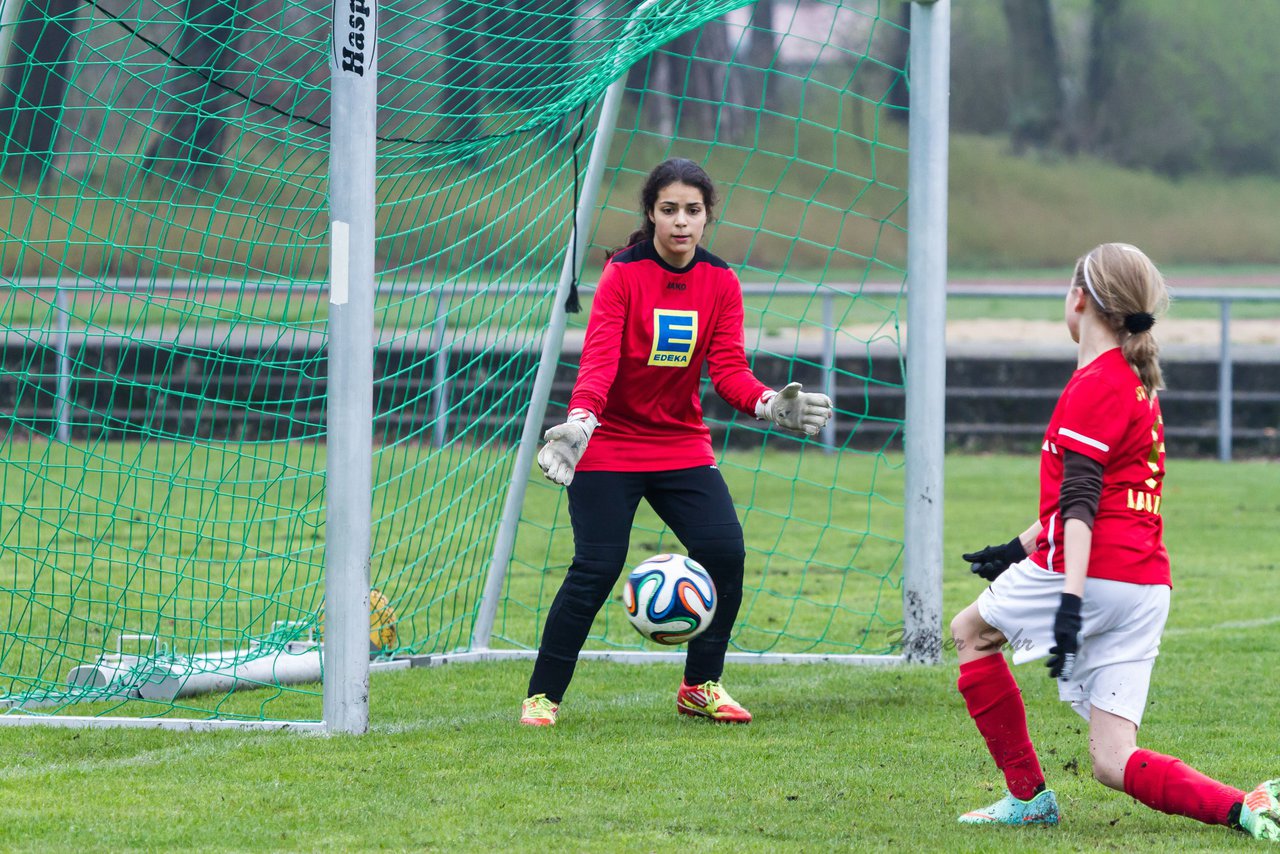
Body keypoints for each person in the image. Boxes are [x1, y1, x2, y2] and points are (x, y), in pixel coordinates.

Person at [949, 242, 1280, 840]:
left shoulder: (1094, 383)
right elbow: (1099, 495)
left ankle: (1026, 796)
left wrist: (1070, 599)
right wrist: (1018, 548)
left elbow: (1079, 505)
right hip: (1146, 585)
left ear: (1079, 299)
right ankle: (1242, 806)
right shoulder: (1135, 382)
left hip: (1095, 575)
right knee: (1112, 757)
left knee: (971, 632)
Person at [519, 157, 833, 727]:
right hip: (609, 442)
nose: (681, 222)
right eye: (669, 210)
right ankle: (543, 697)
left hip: (680, 444)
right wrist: (582, 422)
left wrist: (768, 402)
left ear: (708, 216)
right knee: (597, 564)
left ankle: (700, 685)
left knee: (724, 554)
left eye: (693, 211)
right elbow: (599, 361)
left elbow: (730, 371)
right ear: (651, 214)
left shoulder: (720, 281)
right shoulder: (623, 273)